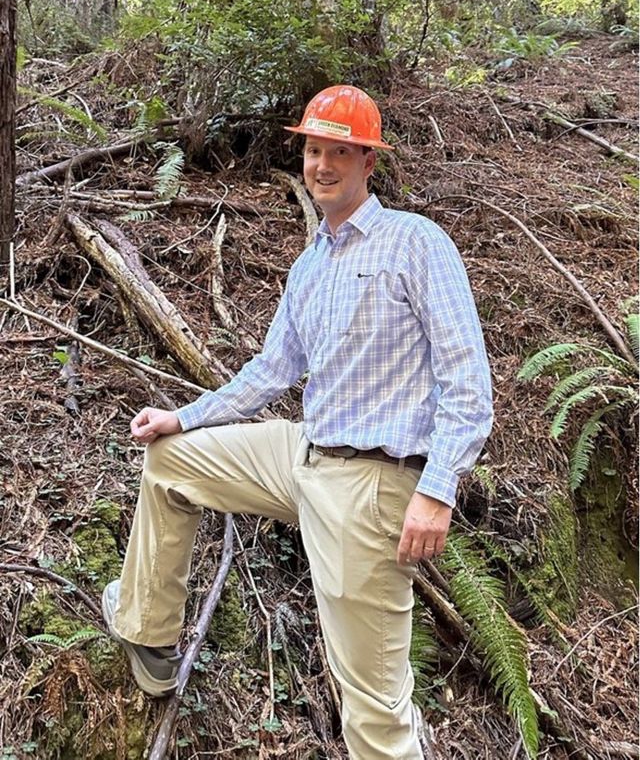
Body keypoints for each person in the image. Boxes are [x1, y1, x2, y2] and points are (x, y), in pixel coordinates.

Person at [102, 84, 493, 760]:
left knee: (373, 712)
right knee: (171, 461)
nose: (323, 165)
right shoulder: (311, 264)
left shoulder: (415, 243)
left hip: (371, 489)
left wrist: (436, 488)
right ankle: (150, 634)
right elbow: (269, 371)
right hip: (302, 455)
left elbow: (469, 382)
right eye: (314, 149)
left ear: (369, 161)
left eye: (341, 150)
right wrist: (184, 415)